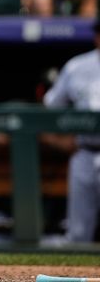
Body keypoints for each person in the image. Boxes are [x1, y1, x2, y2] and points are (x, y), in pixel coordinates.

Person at [43, 18, 100, 242]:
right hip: (83, 151)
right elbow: (52, 106)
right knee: (78, 232)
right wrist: (60, 139)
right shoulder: (77, 66)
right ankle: (76, 276)